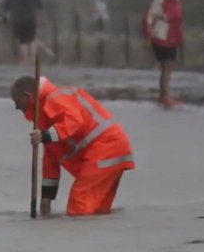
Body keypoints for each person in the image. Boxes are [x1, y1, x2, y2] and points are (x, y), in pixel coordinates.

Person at [10, 75, 135, 217]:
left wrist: (45, 135)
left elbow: (75, 121)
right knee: (97, 210)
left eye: (16, 100)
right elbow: (51, 159)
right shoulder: (44, 119)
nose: (16, 107)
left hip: (105, 149)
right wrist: (47, 198)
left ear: (28, 96)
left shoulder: (55, 98)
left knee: (79, 206)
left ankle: (78, 239)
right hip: (110, 151)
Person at [142, 0, 183, 109]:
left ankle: (164, 95)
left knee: (168, 67)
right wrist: (148, 36)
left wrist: (180, 36)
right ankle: (164, 96)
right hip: (161, 36)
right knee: (166, 65)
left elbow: (178, 18)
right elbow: (148, 18)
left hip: (172, 37)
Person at [4, 0, 43, 66]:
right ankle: (33, 59)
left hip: (17, 19)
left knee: (22, 40)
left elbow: (6, 7)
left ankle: (25, 60)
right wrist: (39, 18)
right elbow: (40, 6)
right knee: (32, 39)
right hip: (30, 18)